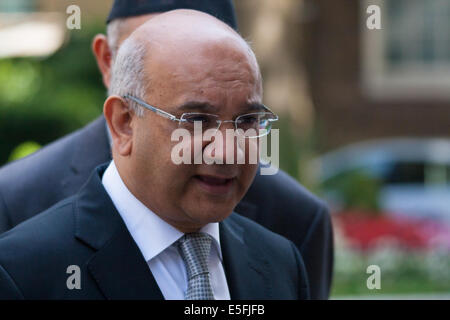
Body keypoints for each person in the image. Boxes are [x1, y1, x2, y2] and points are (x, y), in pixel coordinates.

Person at [0, 0, 333, 299]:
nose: (228, 150)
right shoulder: (23, 273)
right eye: (197, 119)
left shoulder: (281, 263)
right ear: (124, 122)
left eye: (247, 120)